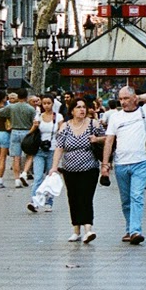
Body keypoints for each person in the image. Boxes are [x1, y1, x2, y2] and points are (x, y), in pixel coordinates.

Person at [100, 85, 146, 245]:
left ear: (134, 98)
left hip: (140, 161)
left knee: (136, 196)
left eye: (126, 98)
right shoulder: (115, 117)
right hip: (121, 163)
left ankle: (136, 230)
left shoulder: (145, 111)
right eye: (121, 99)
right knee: (126, 200)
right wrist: (105, 164)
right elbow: (109, 141)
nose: (123, 102)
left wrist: (138, 97)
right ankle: (129, 228)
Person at [52, 96, 105, 242]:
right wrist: (54, 167)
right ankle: (76, 229)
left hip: (89, 167)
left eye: (84, 107)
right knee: (73, 198)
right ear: (72, 111)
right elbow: (59, 147)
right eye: (78, 107)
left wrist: (97, 139)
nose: (82, 110)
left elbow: (107, 138)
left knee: (86, 197)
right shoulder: (65, 126)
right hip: (69, 169)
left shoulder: (93, 124)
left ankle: (88, 229)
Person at [25, 95, 59, 214]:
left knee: (50, 177)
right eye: (44, 103)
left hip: (52, 150)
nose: (46, 105)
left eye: (49, 103)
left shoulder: (58, 117)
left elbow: (61, 132)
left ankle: (49, 202)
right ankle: (34, 202)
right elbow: (30, 133)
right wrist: (34, 126)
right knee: (38, 177)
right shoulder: (38, 116)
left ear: (53, 103)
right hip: (39, 150)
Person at [1, 90, 37, 187]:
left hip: (15, 131)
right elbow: (35, 122)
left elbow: (0, 112)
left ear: (17, 97)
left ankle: (17, 179)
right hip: (27, 132)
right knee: (29, 155)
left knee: (16, 157)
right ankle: (24, 173)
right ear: (26, 97)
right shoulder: (31, 109)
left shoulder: (11, 107)